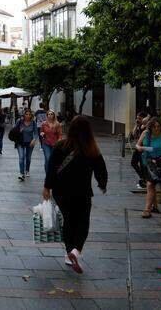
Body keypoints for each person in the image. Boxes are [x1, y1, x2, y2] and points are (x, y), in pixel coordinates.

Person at [43, 116, 107, 274]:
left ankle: (68, 251)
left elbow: (51, 168)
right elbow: (101, 169)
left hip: (61, 192)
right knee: (83, 222)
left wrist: (47, 187)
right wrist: (102, 184)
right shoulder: (91, 148)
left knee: (68, 220)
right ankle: (76, 250)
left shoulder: (60, 146)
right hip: (82, 192)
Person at [136, 117, 161, 218]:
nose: (156, 129)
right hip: (147, 162)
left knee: (159, 185)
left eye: (158, 126)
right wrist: (139, 148)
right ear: (150, 127)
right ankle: (149, 208)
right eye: (154, 127)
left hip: (160, 163)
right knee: (150, 185)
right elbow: (137, 144)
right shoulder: (145, 134)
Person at [14, 108, 38, 181]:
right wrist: (19, 131)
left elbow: (36, 133)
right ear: (24, 115)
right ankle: (22, 173)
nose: (28, 116)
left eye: (29, 114)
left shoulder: (33, 122)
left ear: (31, 115)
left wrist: (34, 139)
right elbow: (14, 130)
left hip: (30, 143)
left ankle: (27, 170)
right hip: (20, 142)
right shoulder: (19, 121)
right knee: (21, 157)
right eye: (26, 114)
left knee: (28, 158)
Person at [39, 111, 63, 175]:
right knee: (48, 158)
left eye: (51, 114)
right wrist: (42, 134)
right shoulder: (44, 124)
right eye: (48, 114)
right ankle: (48, 174)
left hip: (55, 144)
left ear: (54, 115)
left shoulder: (57, 124)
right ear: (47, 116)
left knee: (53, 159)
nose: (50, 115)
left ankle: (53, 173)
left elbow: (60, 134)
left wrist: (59, 140)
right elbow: (41, 132)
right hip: (46, 143)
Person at [130, 112, 149, 190]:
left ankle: (144, 180)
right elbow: (134, 134)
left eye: (140, 119)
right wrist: (137, 125)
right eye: (137, 118)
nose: (138, 120)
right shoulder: (139, 126)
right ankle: (143, 178)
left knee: (142, 165)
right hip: (138, 147)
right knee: (133, 163)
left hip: (143, 148)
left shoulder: (146, 127)